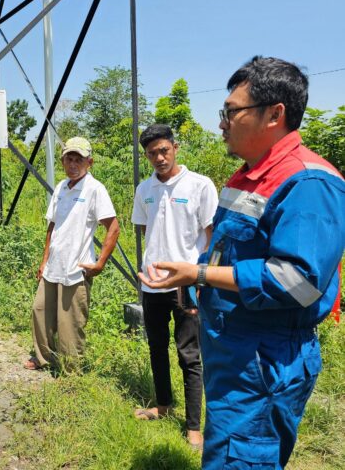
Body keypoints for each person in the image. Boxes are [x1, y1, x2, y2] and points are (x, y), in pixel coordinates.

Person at [139, 56, 345, 469]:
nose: (221, 123)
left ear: (275, 114)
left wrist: (198, 273)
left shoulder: (309, 183)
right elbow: (225, 248)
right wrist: (198, 284)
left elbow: (300, 281)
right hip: (233, 355)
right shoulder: (246, 176)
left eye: (231, 112)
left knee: (242, 459)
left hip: (263, 361)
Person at [131, 124, 218, 450]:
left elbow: (211, 235)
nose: (159, 157)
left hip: (186, 284)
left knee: (189, 354)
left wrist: (204, 276)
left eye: (164, 150)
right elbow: (143, 230)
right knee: (156, 346)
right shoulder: (145, 189)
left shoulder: (199, 185)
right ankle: (163, 406)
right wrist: (146, 268)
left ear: (175, 147)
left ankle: (194, 425)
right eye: (152, 153)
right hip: (152, 284)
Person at [25, 137, 119, 371]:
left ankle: (71, 371)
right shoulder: (60, 187)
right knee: (40, 312)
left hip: (76, 269)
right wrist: (44, 259)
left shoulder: (95, 189)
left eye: (79, 159)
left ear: (90, 162)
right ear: (63, 161)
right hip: (53, 266)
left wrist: (100, 263)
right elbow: (52, 225)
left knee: (70, 324)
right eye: (69, 158)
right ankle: (43, 357)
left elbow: (113, 227)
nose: (73, 164)